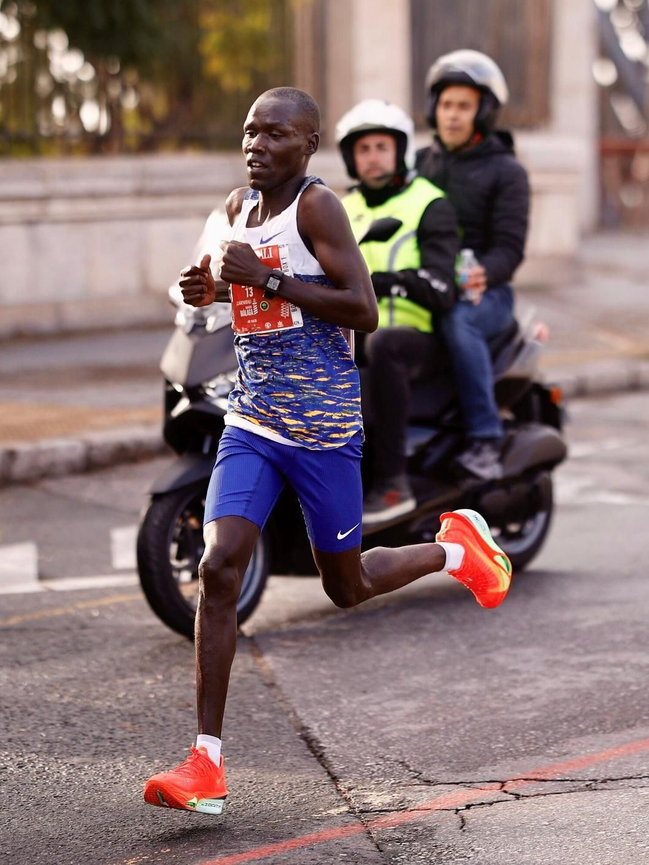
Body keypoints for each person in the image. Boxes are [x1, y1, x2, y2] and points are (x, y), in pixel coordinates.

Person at [143, 87, 514, 817]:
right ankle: (206, 765)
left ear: (307, 145)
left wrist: (273, 279)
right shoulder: (231, 210)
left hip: (323, 429)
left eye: (276, 135)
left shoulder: (317, 208)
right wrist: (200, 289)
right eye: (250, 132)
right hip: (252, 419)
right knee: (220, 569)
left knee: (344, 586)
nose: (258, 146)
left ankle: (456, 549)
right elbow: (207, 296)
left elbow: (363, 307)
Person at [335, 99, 460, 523]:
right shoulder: (340, 209)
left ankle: (392, 484)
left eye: (382, 146)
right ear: (351, 157)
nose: (373, 156)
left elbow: (443, 287)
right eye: (364, 148)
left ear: (401, 151)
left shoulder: (429, 203)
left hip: (418, 337)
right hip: (355, 337)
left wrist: (390, 282)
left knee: (385, 344)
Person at [416, 50, 530, 481]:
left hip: (487, 294)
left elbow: (510, 249)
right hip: (428, 281)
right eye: (446, 105)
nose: (453, 116)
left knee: (459, 322)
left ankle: (485, 437)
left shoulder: (506, 172)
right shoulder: (419, 164)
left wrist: (485, 272)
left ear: (483, 112)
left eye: (464, 106)